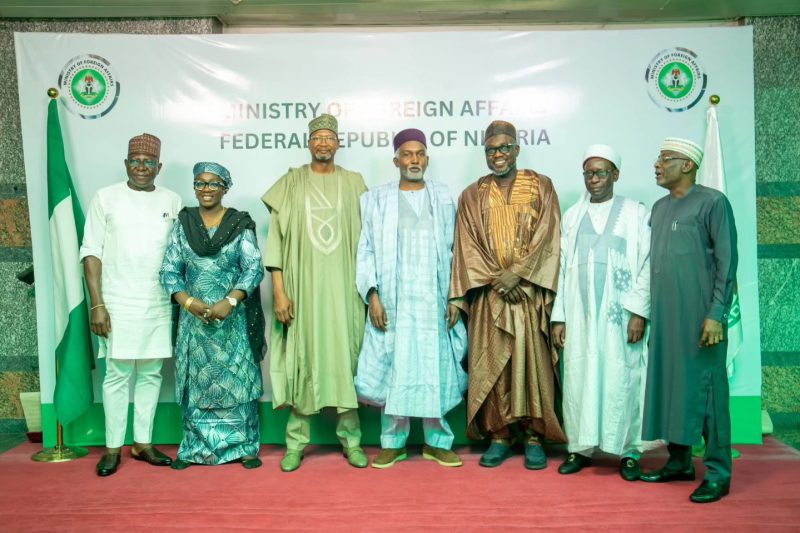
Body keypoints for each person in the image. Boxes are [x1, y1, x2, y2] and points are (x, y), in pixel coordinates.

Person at [450, 120, 566, 469]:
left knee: (531, 364)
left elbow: (549, 236)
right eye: (491, 150)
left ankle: (533, 436)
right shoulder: (471, 195)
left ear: (516, 149)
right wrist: (499, 279)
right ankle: (499, 435)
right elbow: (466, 245)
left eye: (504, 148)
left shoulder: (542, 186)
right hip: (490, 295)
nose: (498, 154)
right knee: (492, 364)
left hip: (528, 294)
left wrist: (520, 275)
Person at [355, 129, 468, 469]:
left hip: (434, 300)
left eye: (419, 154)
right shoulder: (377, 200)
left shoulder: (443, 197)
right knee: (396, 368)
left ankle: (438, 442)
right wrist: (372, 295)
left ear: (427, 159)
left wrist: (455, 297)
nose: (414, 160)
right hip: (394, 301)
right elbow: (366, 250)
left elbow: (457, 251)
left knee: (435, 367)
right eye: (407, 154)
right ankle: (392, 443)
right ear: (396, 161)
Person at [262, 114, 368, 472]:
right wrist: (279, 292)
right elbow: (275, 243)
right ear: (309, 143)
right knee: (301, 358)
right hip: (301, 292)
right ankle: (295, 444)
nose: (323, 143)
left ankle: (353, 441)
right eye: (317, 138)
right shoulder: (291, 182)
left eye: (329, 137)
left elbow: (369, 241)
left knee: (345, 360)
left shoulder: (354, 183)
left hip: (345, 293)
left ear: (338, 143)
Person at [640, 137, 738, 503]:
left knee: (709, 395)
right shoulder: (659, 208)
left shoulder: (713, 202)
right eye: (658, 158)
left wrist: (716, 314)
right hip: (666, 320)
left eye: (665, 159)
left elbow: (727, 263)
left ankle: (718, 473)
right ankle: (679, 461)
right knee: (672, 388)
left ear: (687, 165)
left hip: (701, 321)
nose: (657, 164)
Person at [81, 133, 181, 476]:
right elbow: (91, 252)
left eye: (149, 162)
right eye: (135, 161)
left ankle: (142, 443)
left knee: (151, 373)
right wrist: (97, 304)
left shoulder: (173, 200)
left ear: (159, 167)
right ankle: (112, 448)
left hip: (158, 302)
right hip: (117, 301)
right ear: (126, 163)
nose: (142, 167)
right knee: (117, 375)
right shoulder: (105, 197)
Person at [551, 144, 650, 481]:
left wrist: (639, 312)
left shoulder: (636, 214)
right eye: (588, 173)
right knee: (580, 377)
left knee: (623, 377)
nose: (592, 179)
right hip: (580, 317)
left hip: (621, 318)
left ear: (615, 175)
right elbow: (562, 268)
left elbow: (648, 264)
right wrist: (559, 316)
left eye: (600, 173)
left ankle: (629, 451)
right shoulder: (572, 216)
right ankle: (579, 448)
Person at [160, 162, 265, 470]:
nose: (206, 189)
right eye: (200, 183)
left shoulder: (240, 224)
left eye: (213, 183)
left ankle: (244, 447)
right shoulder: (184, 224)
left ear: (225, 188)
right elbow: (169, 270)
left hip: (232, 322)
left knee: (236, 381)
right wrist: (188, 302)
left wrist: (230, 301)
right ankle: (194, 450)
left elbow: (253, 268)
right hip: (194, 323)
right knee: (197, 385)